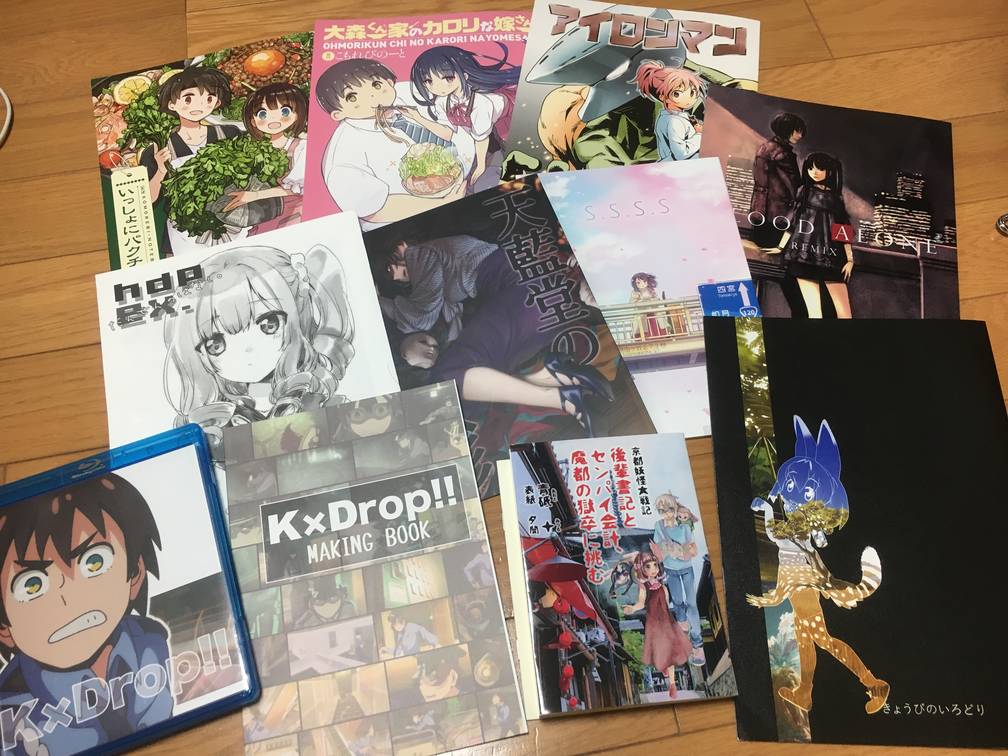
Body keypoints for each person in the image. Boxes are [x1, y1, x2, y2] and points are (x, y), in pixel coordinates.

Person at [0, 474, 173, 751]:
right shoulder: (10, 710)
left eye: (94, 562)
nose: (67, 599)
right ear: (3, 628)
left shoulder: (150, 644)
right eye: (32, 585)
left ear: (135, 573)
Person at [380, 235, 613, 434]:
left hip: (529, 288)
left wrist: (380, 302)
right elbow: (438, 312)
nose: (395, 275)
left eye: (392, 267)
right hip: (545, 296)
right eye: (394, 278)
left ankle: (563, 395)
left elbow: (422, 317)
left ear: (401, 247)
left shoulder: (418, 255)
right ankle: (555, 376)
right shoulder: (437, 259)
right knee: (483, 382)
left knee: (449, 378)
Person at [162, 245, 355, 449]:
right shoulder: (213, 419)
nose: (247, 350)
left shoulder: (313, 385)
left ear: (294, 316)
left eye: (269, 324)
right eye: (216, 345)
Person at [315, 59, 466, 230]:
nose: (373, 97)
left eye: (376, 85)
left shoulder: (405, 98)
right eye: (352, 97)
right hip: (409, 227)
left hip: (457, 190)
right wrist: (444, 203)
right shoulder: (345, 151)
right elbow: (373, 209)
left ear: (389, 82)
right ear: (338, 114)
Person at [139, 66, 243, 253]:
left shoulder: (229, 134)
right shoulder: (158, 148)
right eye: (188, 99)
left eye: (208, 99)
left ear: (217, 102)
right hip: (183, 231)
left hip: (231, 222)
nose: (199, 106)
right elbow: (145, 202)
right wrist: (161, 170)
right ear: (171, 104)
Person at [403, 44, 519, 192]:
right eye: (429, 81)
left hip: (508, 119)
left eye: (447, 78)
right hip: (483, 132)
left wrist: (481, 166)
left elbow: (481, 138)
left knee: (514, 160)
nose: (438, 87)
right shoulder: (442, 101)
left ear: (464, 76)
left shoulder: (481, 103)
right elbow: (447, 133)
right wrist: (416, 117)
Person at [768, 152, 855, 319]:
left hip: (830, 259)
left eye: (819, 169)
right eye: (811, 168)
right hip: (804, 257)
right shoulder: (804, 191)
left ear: (828, 172)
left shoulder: (836, 198)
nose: (814, 172)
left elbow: (843, 228)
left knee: (844, 315)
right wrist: (780, 246)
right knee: (815, 314)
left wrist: (850, 259)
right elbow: (793, 222)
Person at [223, 82, 309, 233]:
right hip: (263, 213)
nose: (273, 119)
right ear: (252, 121)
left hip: (294, 214)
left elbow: (299, 189)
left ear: (298, 114)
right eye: (263, 114)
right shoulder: (249, 149)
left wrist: (255, 195)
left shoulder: (300, 147)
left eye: (285, 111)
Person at [622, 550, 691, 697]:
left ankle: (672, 684)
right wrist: (632, 608)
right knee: (660, 650)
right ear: (642, 569)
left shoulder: (663, 587)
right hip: (654, 623)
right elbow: (641, 603)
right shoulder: (644, 587)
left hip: (667, 622)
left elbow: (666, 605)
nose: (653, 569)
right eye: (648, 566)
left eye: (655, 565)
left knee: (671, 651)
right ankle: (663, 667)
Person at [651, 494, 705, 666]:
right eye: (662, 511)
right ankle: (682, 622)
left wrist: (679, 551)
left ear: (675, 509)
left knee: (692, 605)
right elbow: (660, 551)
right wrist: (669, 550)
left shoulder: (684, 527)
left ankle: (698, 645)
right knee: (678, 602)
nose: (666, 514)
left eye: (669, 510)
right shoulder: (659, 526)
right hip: (671, 570)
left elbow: (692, 550)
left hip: (687, 569)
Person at [750, 112, 805, 248]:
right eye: (797, 131)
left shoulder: (766, 147)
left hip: (761, 207)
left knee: (761, 245)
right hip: (777, 210)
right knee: (772, 248)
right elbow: (794, 183)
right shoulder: (782, 153)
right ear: (786, 129)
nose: (800, 136)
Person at [633, 61, 707, 161]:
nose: (689, 98)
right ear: (663, 97)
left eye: (692, 92)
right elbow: (681, 154)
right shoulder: (674, 121)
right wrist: (699, 134)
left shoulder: (673, 118)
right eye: (677, 94)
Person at [628, 272, 665, 340]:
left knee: (656, 327)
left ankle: (659, 337)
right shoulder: (635, 292)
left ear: (647, 282)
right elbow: (632, 302)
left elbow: (657, 299)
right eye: (638, 283)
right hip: (642, 315)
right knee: (642, 329)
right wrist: (641, 301)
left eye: (644, 282)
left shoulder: (651, 290)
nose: (641, 284)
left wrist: (651, 300)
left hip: (653, 313)